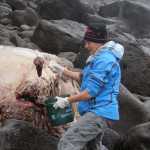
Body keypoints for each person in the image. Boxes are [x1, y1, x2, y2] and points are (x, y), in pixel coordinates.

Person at [50, 24, 124, 150]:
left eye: (88, 42)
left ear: (98, 42)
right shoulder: (99, 57)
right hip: (97, 111)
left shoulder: (104, 60)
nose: (86, 46)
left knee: (67, 142)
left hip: (100, 111)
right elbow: (83, 77)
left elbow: (90, 93)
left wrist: (66, 101)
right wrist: (62, 70)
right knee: (93, 147)